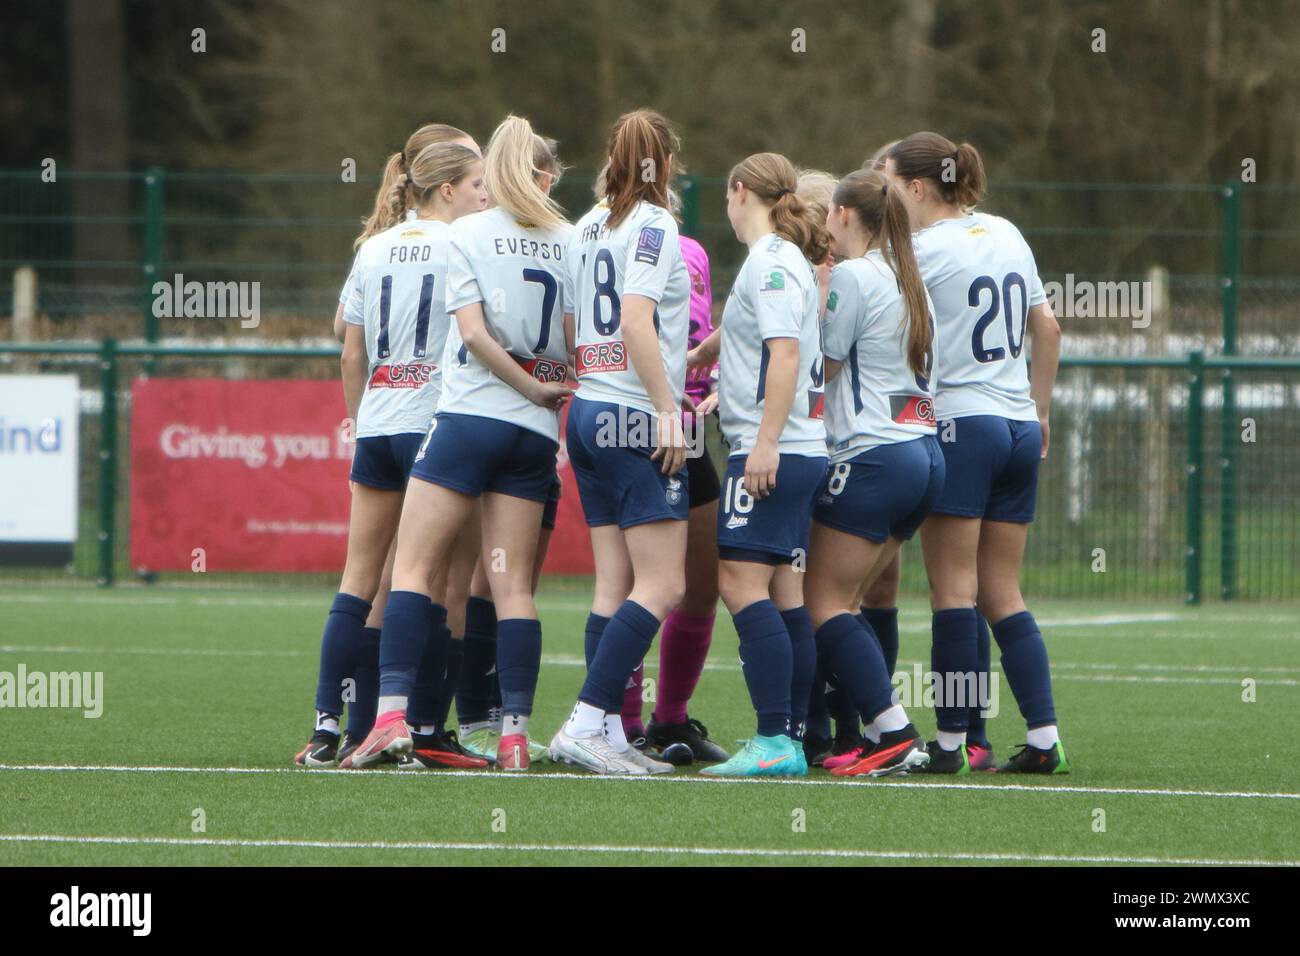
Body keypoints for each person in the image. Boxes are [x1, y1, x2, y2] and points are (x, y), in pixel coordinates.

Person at [343, 115, 575, 772]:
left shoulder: (466, 233)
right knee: (512, 589)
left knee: (412, 571)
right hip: (533, 437)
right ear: (542, 173)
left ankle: (391, 719)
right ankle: (514, 735)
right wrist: (544, 388)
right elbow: (575, 334)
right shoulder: (569, 238)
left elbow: (472, 335)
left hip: (470, 418)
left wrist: (526, 388)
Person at [294, 125, 486, 768]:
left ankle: (330, 728)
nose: (485, 195)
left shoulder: (372, 248)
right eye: (478, 184)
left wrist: (361, 423)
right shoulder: (462, 242)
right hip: (439, 428)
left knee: (360, 581)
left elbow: (350, 351)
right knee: (436, 583)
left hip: (376, 427)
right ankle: (421, 726)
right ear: (447, 188)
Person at [883, 131, 1067, 774]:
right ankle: (1044, 741)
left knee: (953, 592)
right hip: (1018, 425)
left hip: (963, 425)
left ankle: (953, 745)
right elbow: (1048, 327)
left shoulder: (919, 250)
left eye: (886, 184)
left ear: (914, 187)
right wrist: (1039, 412)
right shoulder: (1006, 232)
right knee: (1003, 593)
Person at [549, 109, 691, 775]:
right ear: (666, 161)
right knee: (663, 585)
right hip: (633, 415)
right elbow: (637, 321)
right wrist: (667, 411)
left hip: (589, 409)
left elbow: (577, 321)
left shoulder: (585, 225)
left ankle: (604, 731)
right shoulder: (656, 224)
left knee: (614, 583)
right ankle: (585, 721)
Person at [687, 152, 828, 777]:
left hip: (774, 450)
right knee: (786, 594)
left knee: (739, 586)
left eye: (725, 194)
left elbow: (785, 352)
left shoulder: (770, 261)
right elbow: (752, 330)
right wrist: (703, 354)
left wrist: (763, 443)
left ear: (739, 191)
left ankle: (773, 739)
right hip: (804, 450)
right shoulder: (782, 260)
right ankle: (792, 738)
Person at [803, 167, 939, 776]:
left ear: (845, 216)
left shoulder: (855, 275)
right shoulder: (909, 278)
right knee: (850, 603)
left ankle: (892, 730)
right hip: (922, 454)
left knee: (823, 603)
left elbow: (824, 366)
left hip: (873, 456)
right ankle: (874, 733)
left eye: (829, 212)